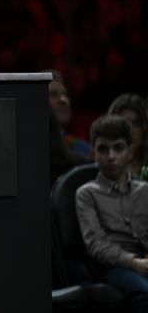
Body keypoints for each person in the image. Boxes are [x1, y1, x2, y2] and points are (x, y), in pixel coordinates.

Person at [76, 115, 148, 312]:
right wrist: (134, 263)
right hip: (112, 266)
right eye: (103, 149)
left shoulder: (144, 191)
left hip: (144, 258)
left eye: (118, 148)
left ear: (130, 152)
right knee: (144, 291)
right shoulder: (86, 194)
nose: (110, 156)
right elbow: (95, 244)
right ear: (93, 152)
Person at [107, 93, 148, 176]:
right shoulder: (97, 168)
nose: (130, 130)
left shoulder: (145, 170)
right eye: (123, 123)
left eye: (136, 123)